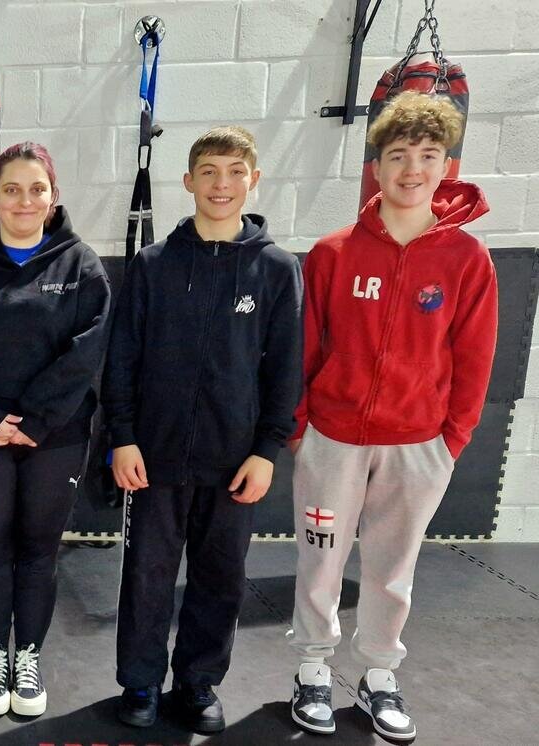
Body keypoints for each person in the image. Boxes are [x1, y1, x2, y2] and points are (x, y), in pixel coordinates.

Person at [287, 92, 497, 741]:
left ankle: (379, 672)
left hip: (418, 443)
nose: (412, 169)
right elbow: (306, 344)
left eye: (427, 156)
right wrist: (300, 428)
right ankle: (313, 668)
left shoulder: (466, 259)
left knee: (391, 566)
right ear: (376, 167)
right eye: (399, 156)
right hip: (333, 438)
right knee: (320, 560)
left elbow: (474, 355)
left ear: (446, 165)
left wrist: (450, 439)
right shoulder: (334, 252)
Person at [104, 126, 303, 734]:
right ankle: (141, 681)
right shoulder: (153, 265)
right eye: (209, 172)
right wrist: (123, 435)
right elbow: (123, 358)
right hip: (155, 457)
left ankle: (197, 682)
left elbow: (285, 368)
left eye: (234, 171)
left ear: (253, 180)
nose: (222, 184)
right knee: (147, 575)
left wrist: (268, 450)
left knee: (220, 577)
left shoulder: (275, 269)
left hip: (233, 460)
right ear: (188, 181)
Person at [0, 142, 111, 720]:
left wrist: (35, 419)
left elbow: (85, 354)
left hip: (54, 435)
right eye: (11, 188)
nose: (24, 199)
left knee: (38, 551)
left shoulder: (81, 265)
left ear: (53, 195)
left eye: (36, 188)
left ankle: (28, 657)